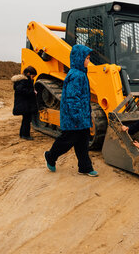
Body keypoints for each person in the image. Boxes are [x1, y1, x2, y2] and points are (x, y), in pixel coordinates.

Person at [44, 44, 98, 177]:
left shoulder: (81, 74)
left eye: (89, 58)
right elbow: (72, 98)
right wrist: (77, 115)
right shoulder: (76, 75)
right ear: (79, 58)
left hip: (82, 116)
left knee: (83, 143)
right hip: (75, 117)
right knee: (67, 141)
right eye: (86, 58)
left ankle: (85, 167)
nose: (88, 61)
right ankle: (50, 156)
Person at [12, 66, 38, 140]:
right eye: (33, 76)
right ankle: (25, 135)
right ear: (29, 73)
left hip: (24, 104)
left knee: (25, 120)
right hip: (25, 104)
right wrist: (33, 92)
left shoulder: (21, 81)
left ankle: (22, 134)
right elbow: (22, 90)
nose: (33, 78)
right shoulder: (24, 81)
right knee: (26, 120)